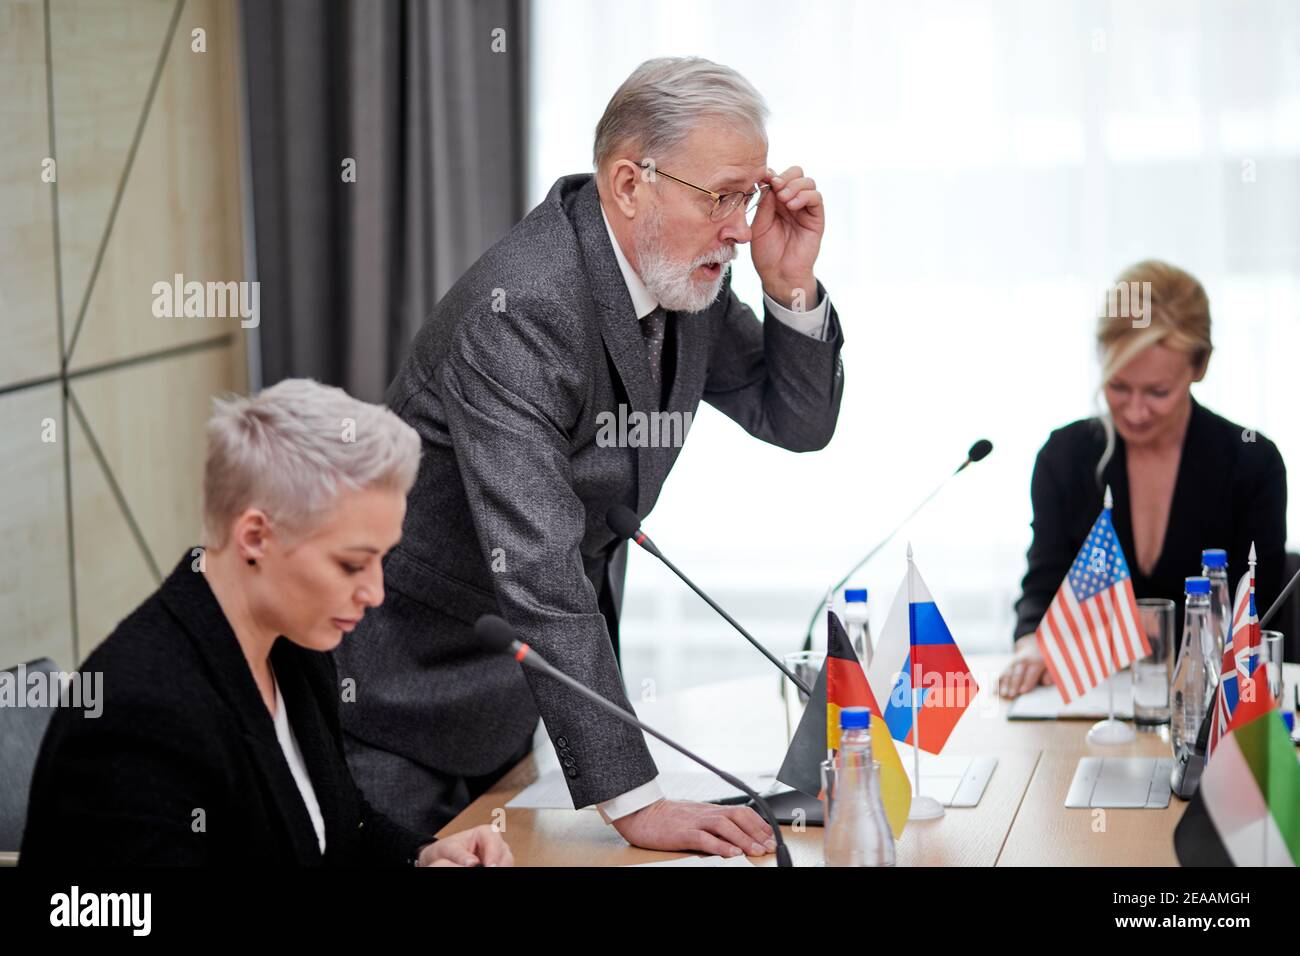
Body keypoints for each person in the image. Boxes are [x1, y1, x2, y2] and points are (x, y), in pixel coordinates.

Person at [334, 56, 844, 857]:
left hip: (516, 701)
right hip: (402, 703)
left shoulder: (682, 275)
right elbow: (537, 563)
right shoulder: (523, 309)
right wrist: (637, 802)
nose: (743, 227)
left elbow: (795, 419)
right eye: (722, 196)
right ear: (630, 183)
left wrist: (790, 289)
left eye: (752, 195)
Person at [21, 379, 512, 866]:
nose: (376, 593)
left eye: (383, 559)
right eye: (351, 564)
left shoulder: (293, 647)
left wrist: (422, 854)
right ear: (255, 536)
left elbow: (335, 825)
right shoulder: (140, 712)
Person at [999, 261, 1287, 698]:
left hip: (1213, 704)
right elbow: (1043, 587)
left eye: (1157, 392)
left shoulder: (1251, 461)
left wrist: (1125, 626)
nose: (1134, 411)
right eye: (1118, 387)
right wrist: (1032, 646)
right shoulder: (1064, 455)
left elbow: (1260, 614)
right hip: (1093, 702)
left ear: (1200, 366)